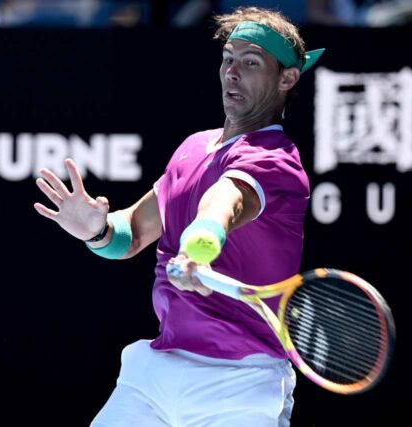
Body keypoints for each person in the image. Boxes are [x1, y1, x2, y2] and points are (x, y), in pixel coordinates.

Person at [34, 6, 324, 426]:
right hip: (155, 375)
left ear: (287, 78)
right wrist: (97, 230)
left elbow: (224, 203)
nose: (232, 72)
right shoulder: (193, 148)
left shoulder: (275, 159)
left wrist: (198, 248)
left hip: (240, 384)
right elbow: (130, 236)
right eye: (228, 58)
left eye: (250, 63)